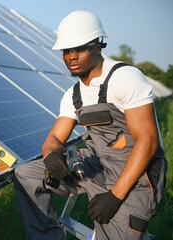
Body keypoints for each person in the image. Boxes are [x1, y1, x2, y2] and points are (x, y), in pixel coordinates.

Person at [14, 10, 167, 240]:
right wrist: (51, 157)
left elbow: (148, 141)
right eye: (67, 50)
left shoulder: (124, 78)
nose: (72, 56)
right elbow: (53, 140)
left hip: (136, 176)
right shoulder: (73, 95)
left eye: (80, 48)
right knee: (26, 174)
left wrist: (115, 196)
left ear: (98, 46)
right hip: (97, 165)